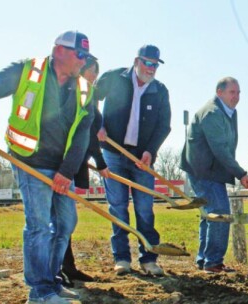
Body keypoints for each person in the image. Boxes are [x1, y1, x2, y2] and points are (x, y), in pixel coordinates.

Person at [0, 30, 96, 303]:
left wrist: (67, 172)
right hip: (30, 160)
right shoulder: (27, 71)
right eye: (80, 54)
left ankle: (51, 282)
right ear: (59, 50)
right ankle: (39, 292)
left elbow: (82, 135)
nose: (83, 61)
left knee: (65, 224)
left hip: (61, 166)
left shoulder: (85, 90)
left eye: (86, 56)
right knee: (39, 226)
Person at [95, 45, 171, 275]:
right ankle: (122, 259)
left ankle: (148, 258)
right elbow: (88, 97)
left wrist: (150, 151)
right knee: (118, 207)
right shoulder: (114, 78)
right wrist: (97, 124)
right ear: (136, 61)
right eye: (148, 63)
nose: (151, 69)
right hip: (113, 152)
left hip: (142, 159)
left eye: (155, 65)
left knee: (145, 208)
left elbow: (163, 126)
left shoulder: (159, 90)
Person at [180, 77, 248, 274]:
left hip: (211, 170)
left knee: (209, 215)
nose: (236, 97)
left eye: (238, 93)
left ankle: (205, 259)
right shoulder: (212, 113)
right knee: (220, 213)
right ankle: (213, 262)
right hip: (204, 171)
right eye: (232, 92)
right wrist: (240, 173)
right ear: (219, 92)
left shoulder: (228, 112)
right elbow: (220, 149)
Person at [59, 58, 110, 287]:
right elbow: (86, 134)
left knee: (66, 219)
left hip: (75, 162)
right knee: (61, 220)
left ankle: (67, 267)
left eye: (95, 75)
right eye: (90, 73)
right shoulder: (73, 94)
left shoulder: (88, 96)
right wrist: (101, 162)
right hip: (63, 164)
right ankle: (58, 270)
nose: (92, 78)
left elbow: (89, 135)